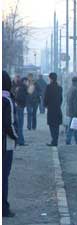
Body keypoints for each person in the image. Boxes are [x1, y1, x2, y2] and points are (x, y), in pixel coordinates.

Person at [2, 70, 18, 217]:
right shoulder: (7, 101)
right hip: (5, 145)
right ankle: (4, 208)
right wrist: (16, 136)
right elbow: (9, 124)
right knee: (3, 177)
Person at [44, 72, 63, 147]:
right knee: (57, 125)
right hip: (57, 109)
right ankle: (55, 140)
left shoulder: (49, 87)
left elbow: (46, 97)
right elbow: (61, 99)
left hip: (51, 109)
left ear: (51, 78)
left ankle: (53, 141)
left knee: (51, 125)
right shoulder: (59, 88)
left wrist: (45, 105)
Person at [66, 76, 77, 145]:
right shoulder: (75, 90)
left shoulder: (70, 89)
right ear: (76, 82)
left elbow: (69, 100)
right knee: (72, 127)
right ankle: (70, 141)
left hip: (70, 110)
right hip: (74, 112)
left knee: (74, 127)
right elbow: (76, 103)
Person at [15, 77, 28, 146]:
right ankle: (21, 141)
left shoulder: (19, 87)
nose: (27, 83)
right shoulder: (22, 88)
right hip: (20, 107)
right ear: (24, 81)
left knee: (19, 125)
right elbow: (20, 98)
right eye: (27, 81)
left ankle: (19, 140)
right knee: (20, 125)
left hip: (19, 106)